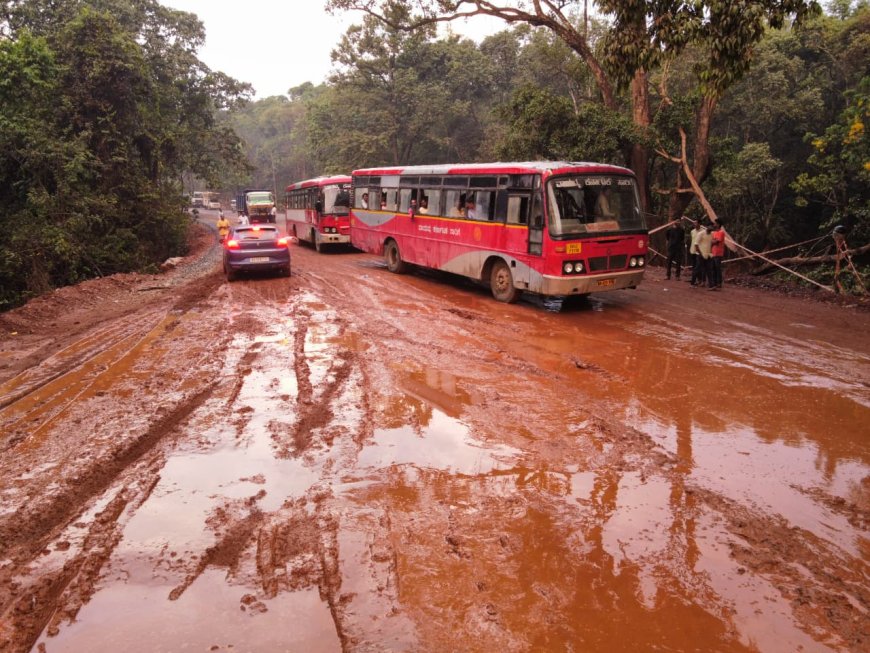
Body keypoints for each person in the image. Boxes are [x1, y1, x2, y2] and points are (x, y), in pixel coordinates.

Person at [695, 223, 714, 288]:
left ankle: (711, 285)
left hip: (708, 254)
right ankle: (695, 282)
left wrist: (710, 252)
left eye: (712, 227)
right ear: (707, 226)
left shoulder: (711, 234)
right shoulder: (701, 234)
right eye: (710, 226)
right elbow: (696, 244)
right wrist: (700, 253)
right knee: (699, 268)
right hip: (701, 254)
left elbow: (710, 244)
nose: (711, 228)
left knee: (709, 269)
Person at [710, 221, 726, 289]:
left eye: (715, 223)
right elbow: (712, 241)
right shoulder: (714, 233)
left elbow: (716, 241)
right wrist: (713, 241)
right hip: (713, 252)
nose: (714, 224)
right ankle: (715, 283)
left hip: (718, 253)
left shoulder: (721, 232)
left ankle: (719, 283)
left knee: (717, 268)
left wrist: (713, 241)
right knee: (713, 268)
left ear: (718, 224)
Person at [688, 219, 703, 285]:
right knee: (694, 266)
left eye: (696, 223)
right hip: (692, 250)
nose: (694, 224)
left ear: (699, 224)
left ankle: (700, 279)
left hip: (699, 251)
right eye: (694, 223)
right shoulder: (692, 231)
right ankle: (696, 279)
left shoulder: (703, 231)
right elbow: (692, 240)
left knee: (699, 266)